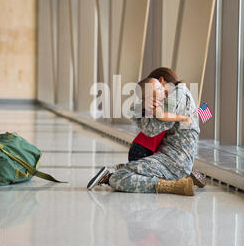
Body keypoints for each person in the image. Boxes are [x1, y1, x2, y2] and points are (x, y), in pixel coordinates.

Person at [87, 67, 203, 196]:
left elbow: (151, 130)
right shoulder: (182, 92)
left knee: (117, 178)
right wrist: (144, 105)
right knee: (128, 170)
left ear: (161, 80)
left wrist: (146, 107)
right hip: (175, 159)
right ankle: (181, 178)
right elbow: (134, 114)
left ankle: (174, 186)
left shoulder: (176, 96)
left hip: (174, 161)